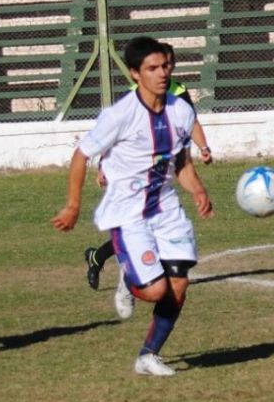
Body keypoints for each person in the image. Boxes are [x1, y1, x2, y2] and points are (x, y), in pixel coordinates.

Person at [52, 36, 214, 376]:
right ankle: (129, 278)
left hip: (166, 208)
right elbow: (81, 155)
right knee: (155, 291)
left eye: (165, 66)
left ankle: (148, 356)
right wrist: (72, 205)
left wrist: (197, 189)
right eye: (152, 68)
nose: (162, 73)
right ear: (135, 73)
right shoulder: (119, 115)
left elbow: (181, 162)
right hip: (128, 213)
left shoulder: (181, 111)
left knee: (179, 285)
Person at [82, 42, 213, 291]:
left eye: (169, 64)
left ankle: (108, 260)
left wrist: (203, 147)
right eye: (160, 65)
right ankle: (114, 265)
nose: (166, 69)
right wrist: (102, 166)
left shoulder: (178, 91)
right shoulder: (135, 95)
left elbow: (192, 122)